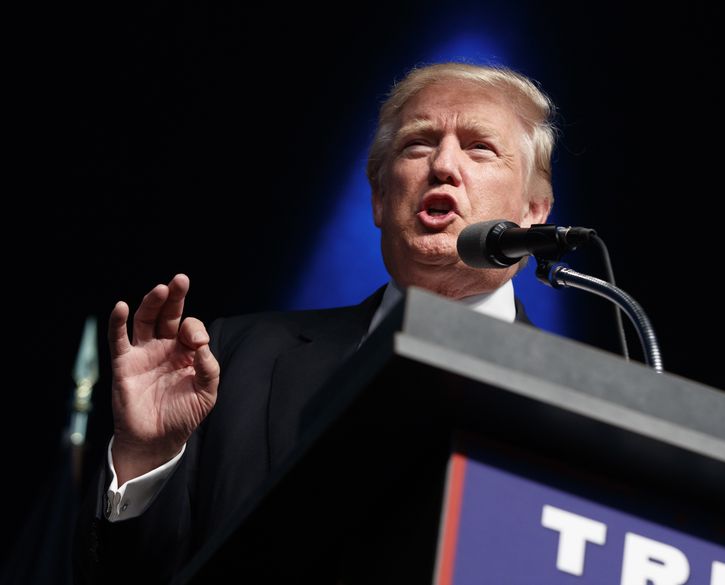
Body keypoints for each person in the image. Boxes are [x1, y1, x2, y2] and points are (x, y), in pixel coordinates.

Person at [74, 61, 557, 583]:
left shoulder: (566, 403)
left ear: (534, 209)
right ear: (378, 198)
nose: (442, 164)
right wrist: (146, 458)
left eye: (479, 147)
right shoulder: (236, 358)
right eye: (417, 145)